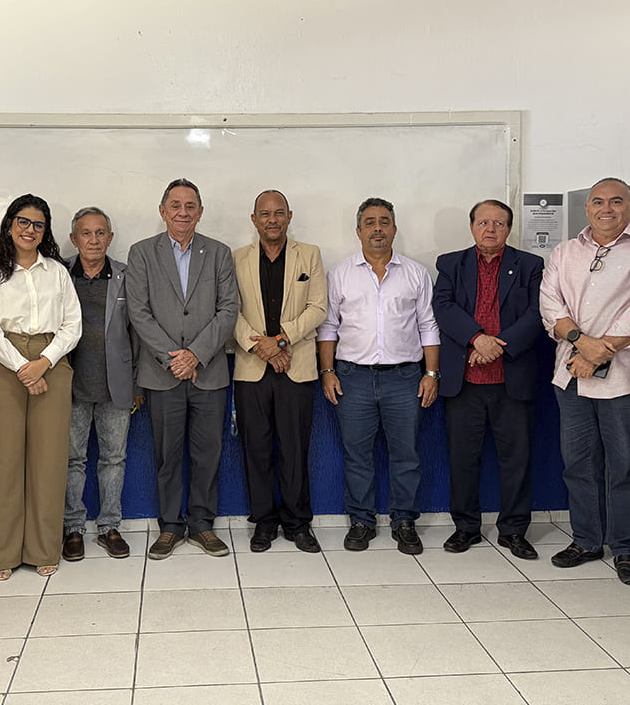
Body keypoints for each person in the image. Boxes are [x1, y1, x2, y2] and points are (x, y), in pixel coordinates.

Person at [538, 177, 630, 586]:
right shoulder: (564, 252)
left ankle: (626, 548)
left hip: (625, 380)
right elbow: (550, 305)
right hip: (571, 376)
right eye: (598, 202)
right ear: (587, 208)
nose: (606, 209)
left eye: (616, 201)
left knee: (625, 466)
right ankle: (586, 541)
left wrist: (598, 352)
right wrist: (582, 343)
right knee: (578, 464)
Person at [316, 197, 440, 554]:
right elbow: (328, 327)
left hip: (405, 378)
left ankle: (404, 522)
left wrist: (431, 373)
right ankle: (361, 521)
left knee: (406, 454)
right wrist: (327, 371)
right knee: (357, 455)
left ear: (394, 229)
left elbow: (428, 326)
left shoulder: (415, 273)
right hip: (352, 377)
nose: (377, 229)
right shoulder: (340, 274)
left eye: (384, 222)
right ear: (358, 231)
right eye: (369, 222)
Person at [126, 178, 238, 559]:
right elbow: (138, 312)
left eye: (190, 206)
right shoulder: (142, 253)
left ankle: (202, 524)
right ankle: (170, 527)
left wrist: (196, 355)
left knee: (208, 454)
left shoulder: (219, 253)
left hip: (208, 372)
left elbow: (229, 309)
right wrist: (174, 358)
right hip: (162, 373)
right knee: (167, 455)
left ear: (200, 212)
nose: (183, 212)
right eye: (175, 205)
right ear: (163, 211)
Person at [0, 194, 81, 579]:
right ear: (9, 224)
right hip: (3, 364)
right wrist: (23, 368)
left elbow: (72, 324)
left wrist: (43, 363)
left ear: (45, 230)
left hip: (51, 361)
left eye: (38, 224)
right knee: (1, 460)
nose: (29, 230)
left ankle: (42, 548)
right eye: (23, 221)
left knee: (48, 460)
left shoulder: (57, 272)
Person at [433, 199, 544, 560]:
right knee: (463, 459)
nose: (491, 229)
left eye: (499, 223)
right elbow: (443, 307)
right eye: (483, 222)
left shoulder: (531, 265)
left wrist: (497, 347)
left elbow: (537, 314)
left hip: (512, 378)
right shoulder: (451, 264)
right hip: (464, 381)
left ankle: (513, 530)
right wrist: (476, 339)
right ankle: (466, 528)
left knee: (517, 460)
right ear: (472, 227)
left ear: (509, 229)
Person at [233, 189, 327, 553]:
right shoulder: (236, 258)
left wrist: (282, 341)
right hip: (252, 368)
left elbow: (318, 308)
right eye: (265, 214)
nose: (272, 220)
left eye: (278, 213)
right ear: (254, 219)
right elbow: (229, 310)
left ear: (289, 216)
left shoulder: (310, 254)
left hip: (296, 365)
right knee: (255, 448)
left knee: (294, 448)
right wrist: (263, 348)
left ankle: (297, 523)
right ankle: (264, 521)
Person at [62, 206, 142, 561]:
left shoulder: (127, 275)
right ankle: (73, 528)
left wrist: (138, 384)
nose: (93, 240)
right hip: (69, 386)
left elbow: (138, 331)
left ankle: (110, 526)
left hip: (116, 386)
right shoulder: (59, 273)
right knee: (72, 460)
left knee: (113, 459)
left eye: (100, 233)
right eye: (86, 233)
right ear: (74, 238)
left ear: (110, 238)